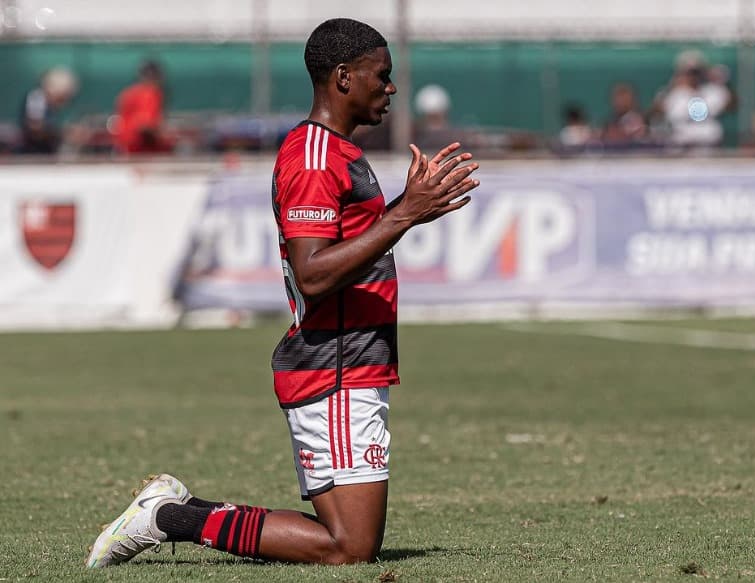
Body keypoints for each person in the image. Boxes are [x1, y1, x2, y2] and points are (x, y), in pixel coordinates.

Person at [86, 18, 480, 568]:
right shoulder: (314, 157)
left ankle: (171, 513)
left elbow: (344, 252)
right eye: (381, 76)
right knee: (347, 548)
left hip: (351, 362)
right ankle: (168, 517)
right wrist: (406, 216)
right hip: (334, 365)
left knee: (351, 543)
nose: (390, 88)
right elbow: (313, 274)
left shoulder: (336, 151)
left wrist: (402, 211)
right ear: (343, 78)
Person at [114, 60, 171, 154]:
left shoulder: (127, 93)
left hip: (126, 151)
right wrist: (166, 139)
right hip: (143, 153)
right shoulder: (150, 93)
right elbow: (144, 127)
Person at [19, 66, 78, 154]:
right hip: (32, 153)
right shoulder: (37, 98)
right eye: (63, 97)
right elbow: (35, 128)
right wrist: (63, 133)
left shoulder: (50, 106)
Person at [601, 83, 648, 148]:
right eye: (618, 96)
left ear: (633, 99)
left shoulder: (640, 119)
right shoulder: (610, 120)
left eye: (624, 96)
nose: (621, 101)